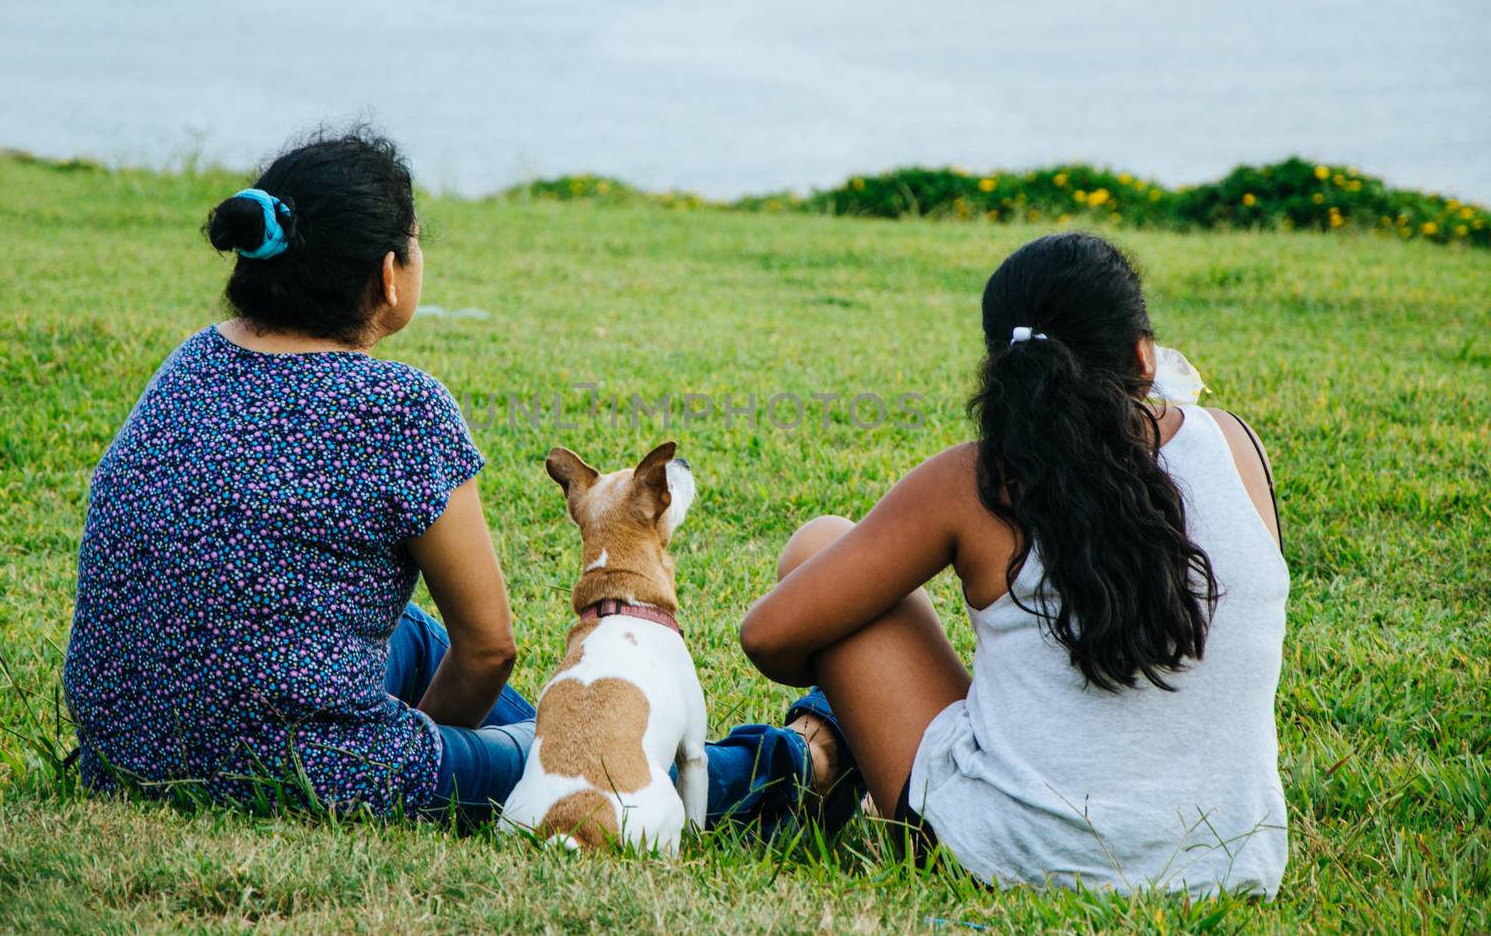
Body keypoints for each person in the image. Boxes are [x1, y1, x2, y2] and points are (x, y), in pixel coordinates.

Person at [62, 129, 849, 832]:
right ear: (389, 276)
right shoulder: (401, 409)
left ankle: (587, 720)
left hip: (128, 746)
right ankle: (804, 761)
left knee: (412, 638)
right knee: (588, 768)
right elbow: (489, 651)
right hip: (308, 779)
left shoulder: (189, 363)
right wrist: (428, 752)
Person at [740, 232, 1289, 896]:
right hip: (1231, 866)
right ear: (1143, 356)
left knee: (820, 543)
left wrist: (869, 700)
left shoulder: (978, 480)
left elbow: (768, 636)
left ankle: (825, 749)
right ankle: (832, 747)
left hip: (1009, 861)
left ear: (1003, 366)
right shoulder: (1235, 444)